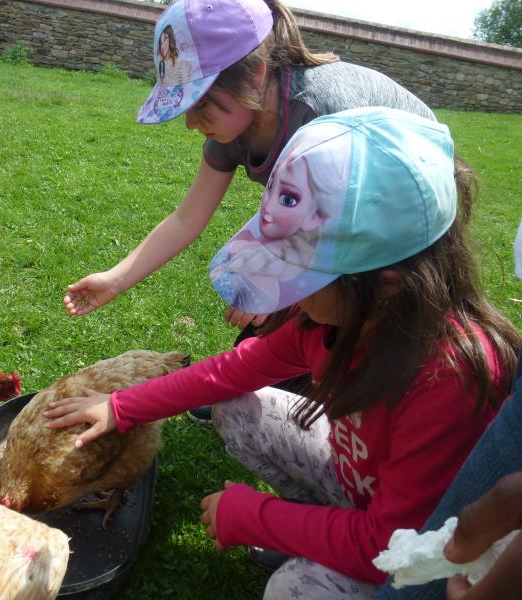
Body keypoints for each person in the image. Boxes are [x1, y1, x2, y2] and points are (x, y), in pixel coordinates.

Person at [47, 108, 522, 599]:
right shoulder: (331, 321)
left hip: (416, 552)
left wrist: (255, 516)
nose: (288, 295)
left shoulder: (446, 378)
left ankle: (311, 539)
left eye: (304, 277)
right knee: (233, 406)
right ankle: (314, 530)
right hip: (360, 484)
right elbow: (233, 372)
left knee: (294, 589)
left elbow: (387, 545)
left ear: (385, 285)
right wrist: (122, 406)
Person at [62, 0, 437, 423]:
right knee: (275, 323)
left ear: (255, 74)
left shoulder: (321, 116)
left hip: (400, 215)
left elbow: (345, 231)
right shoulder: (235, 124)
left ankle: (358, 403)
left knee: (351, 325)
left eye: (200, 102)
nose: (190, 123)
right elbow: (188, 218)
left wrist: (278, 287)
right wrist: (116, 279)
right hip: (332, 222)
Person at [373, 220, 522, 600]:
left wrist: (254, 516)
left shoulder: (448, 373)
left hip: (380, 532)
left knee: (417, 581)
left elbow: (381, 534)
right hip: (373, 507)